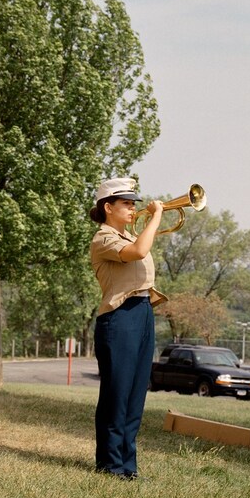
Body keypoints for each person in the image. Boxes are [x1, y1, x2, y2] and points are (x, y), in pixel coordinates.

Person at [89, 177, 167, 480]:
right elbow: (137, 252)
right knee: (117, 394)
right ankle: (109, 464)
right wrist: (157, 216)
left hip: (143, 311)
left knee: (135, 395)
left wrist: (151, 221)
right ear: (108, 207)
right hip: (119, 317)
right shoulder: (103, 238)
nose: (133, 209)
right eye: (126, 203)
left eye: (134, 204)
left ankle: (127, 466)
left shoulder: (130, 236)